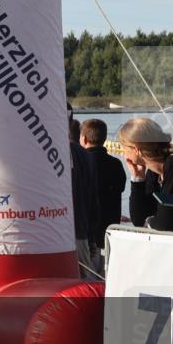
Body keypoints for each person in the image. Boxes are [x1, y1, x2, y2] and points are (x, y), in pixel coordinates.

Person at [118, 117, 173, 234]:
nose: (124, 154)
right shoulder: (154, 171)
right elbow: (139, 221)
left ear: (135, 149)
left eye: (124, 148)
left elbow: (164, 224)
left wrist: (149, 221)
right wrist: (138, 179)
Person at [81, 119, 126, 273]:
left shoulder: (82, 163)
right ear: (104, 138)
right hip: (110, 232)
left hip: (88, 234)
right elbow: (121, 188)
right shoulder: (116, 164)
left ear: (83, 139)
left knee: (90, 277)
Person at [67, 104, 100, 278]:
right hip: (80, 231)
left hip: (67, 232)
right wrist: (92, 236)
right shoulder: (84, 154)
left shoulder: (75, 153)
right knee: (84, 281)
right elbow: (92, 199)